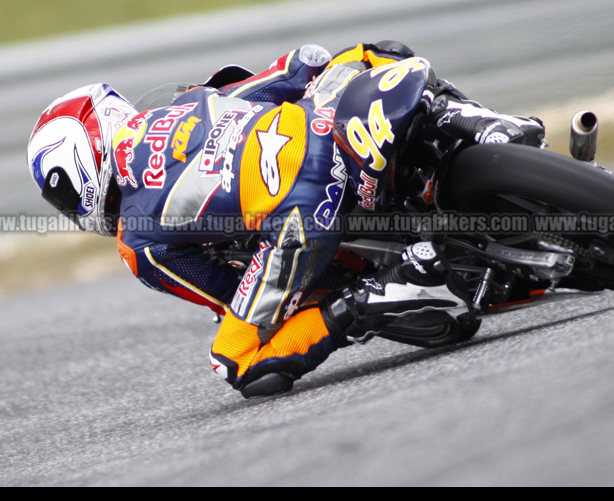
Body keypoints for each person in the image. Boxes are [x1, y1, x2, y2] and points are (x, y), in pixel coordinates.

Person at [27, 41, 545, 398]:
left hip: (301, 215)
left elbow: (225, 291)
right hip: (329, 130)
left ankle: (384, 292)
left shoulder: (136, 242)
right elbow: (295, 69)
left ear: (82, 169)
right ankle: (484, 122)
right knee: (371, 54)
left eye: (65, 195)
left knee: (236, 361)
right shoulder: (193, 97)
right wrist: (319, 74)